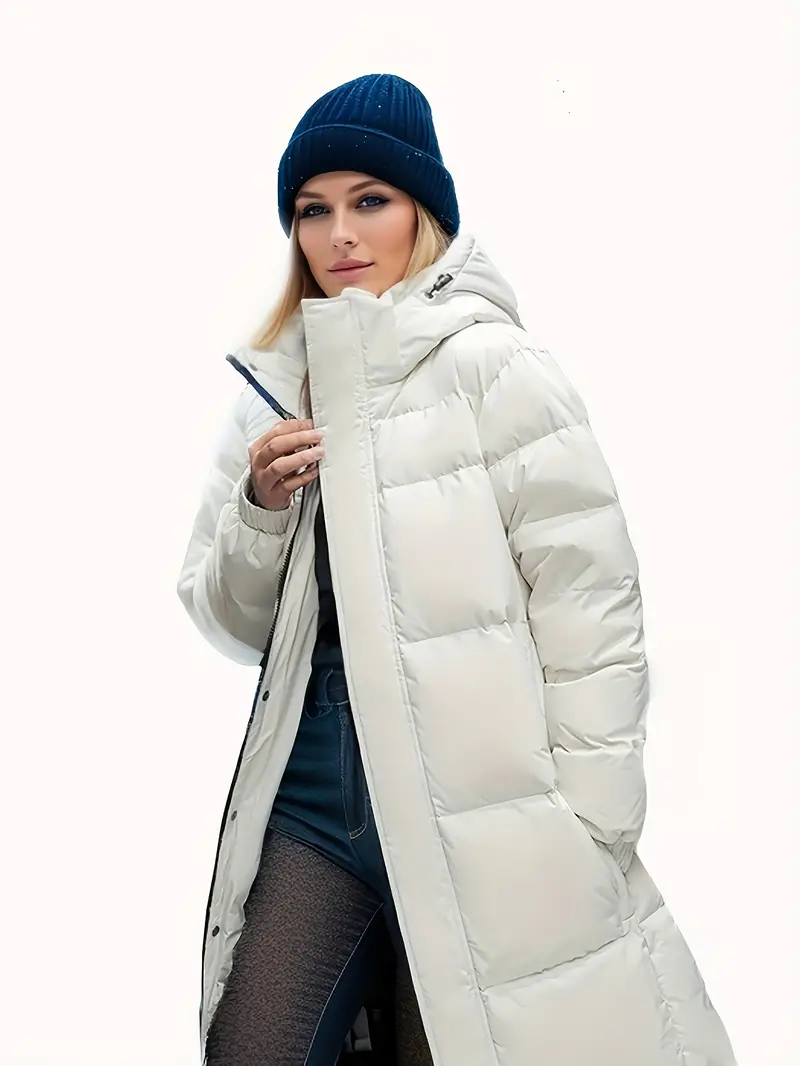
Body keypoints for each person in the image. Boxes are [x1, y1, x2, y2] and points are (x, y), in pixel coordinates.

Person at [177, 73, 737, 1066]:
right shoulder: (275, 390)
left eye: (370, 200)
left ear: (421, 213)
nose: (340, 234)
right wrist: (259, 508)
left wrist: (594, 820)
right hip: (312, 804)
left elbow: (590, 600)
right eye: (313, 209)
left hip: (475, 815)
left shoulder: (495, 368)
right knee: (252, 1047)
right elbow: (228, 621)